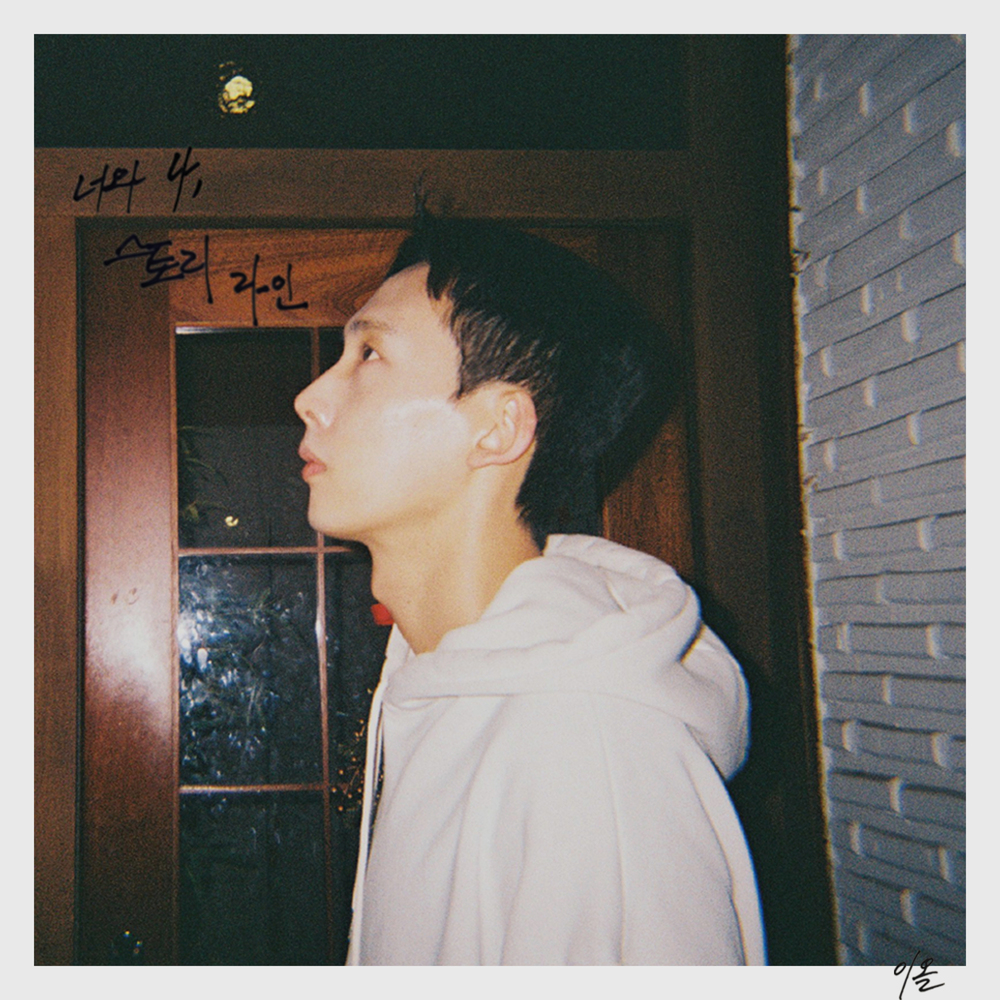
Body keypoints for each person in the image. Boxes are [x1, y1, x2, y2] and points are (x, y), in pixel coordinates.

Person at [294, 214, 765, 965]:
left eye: (370, 353)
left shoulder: (590, 753)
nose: (311, 396)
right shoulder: (444, 681)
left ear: (497, 428)